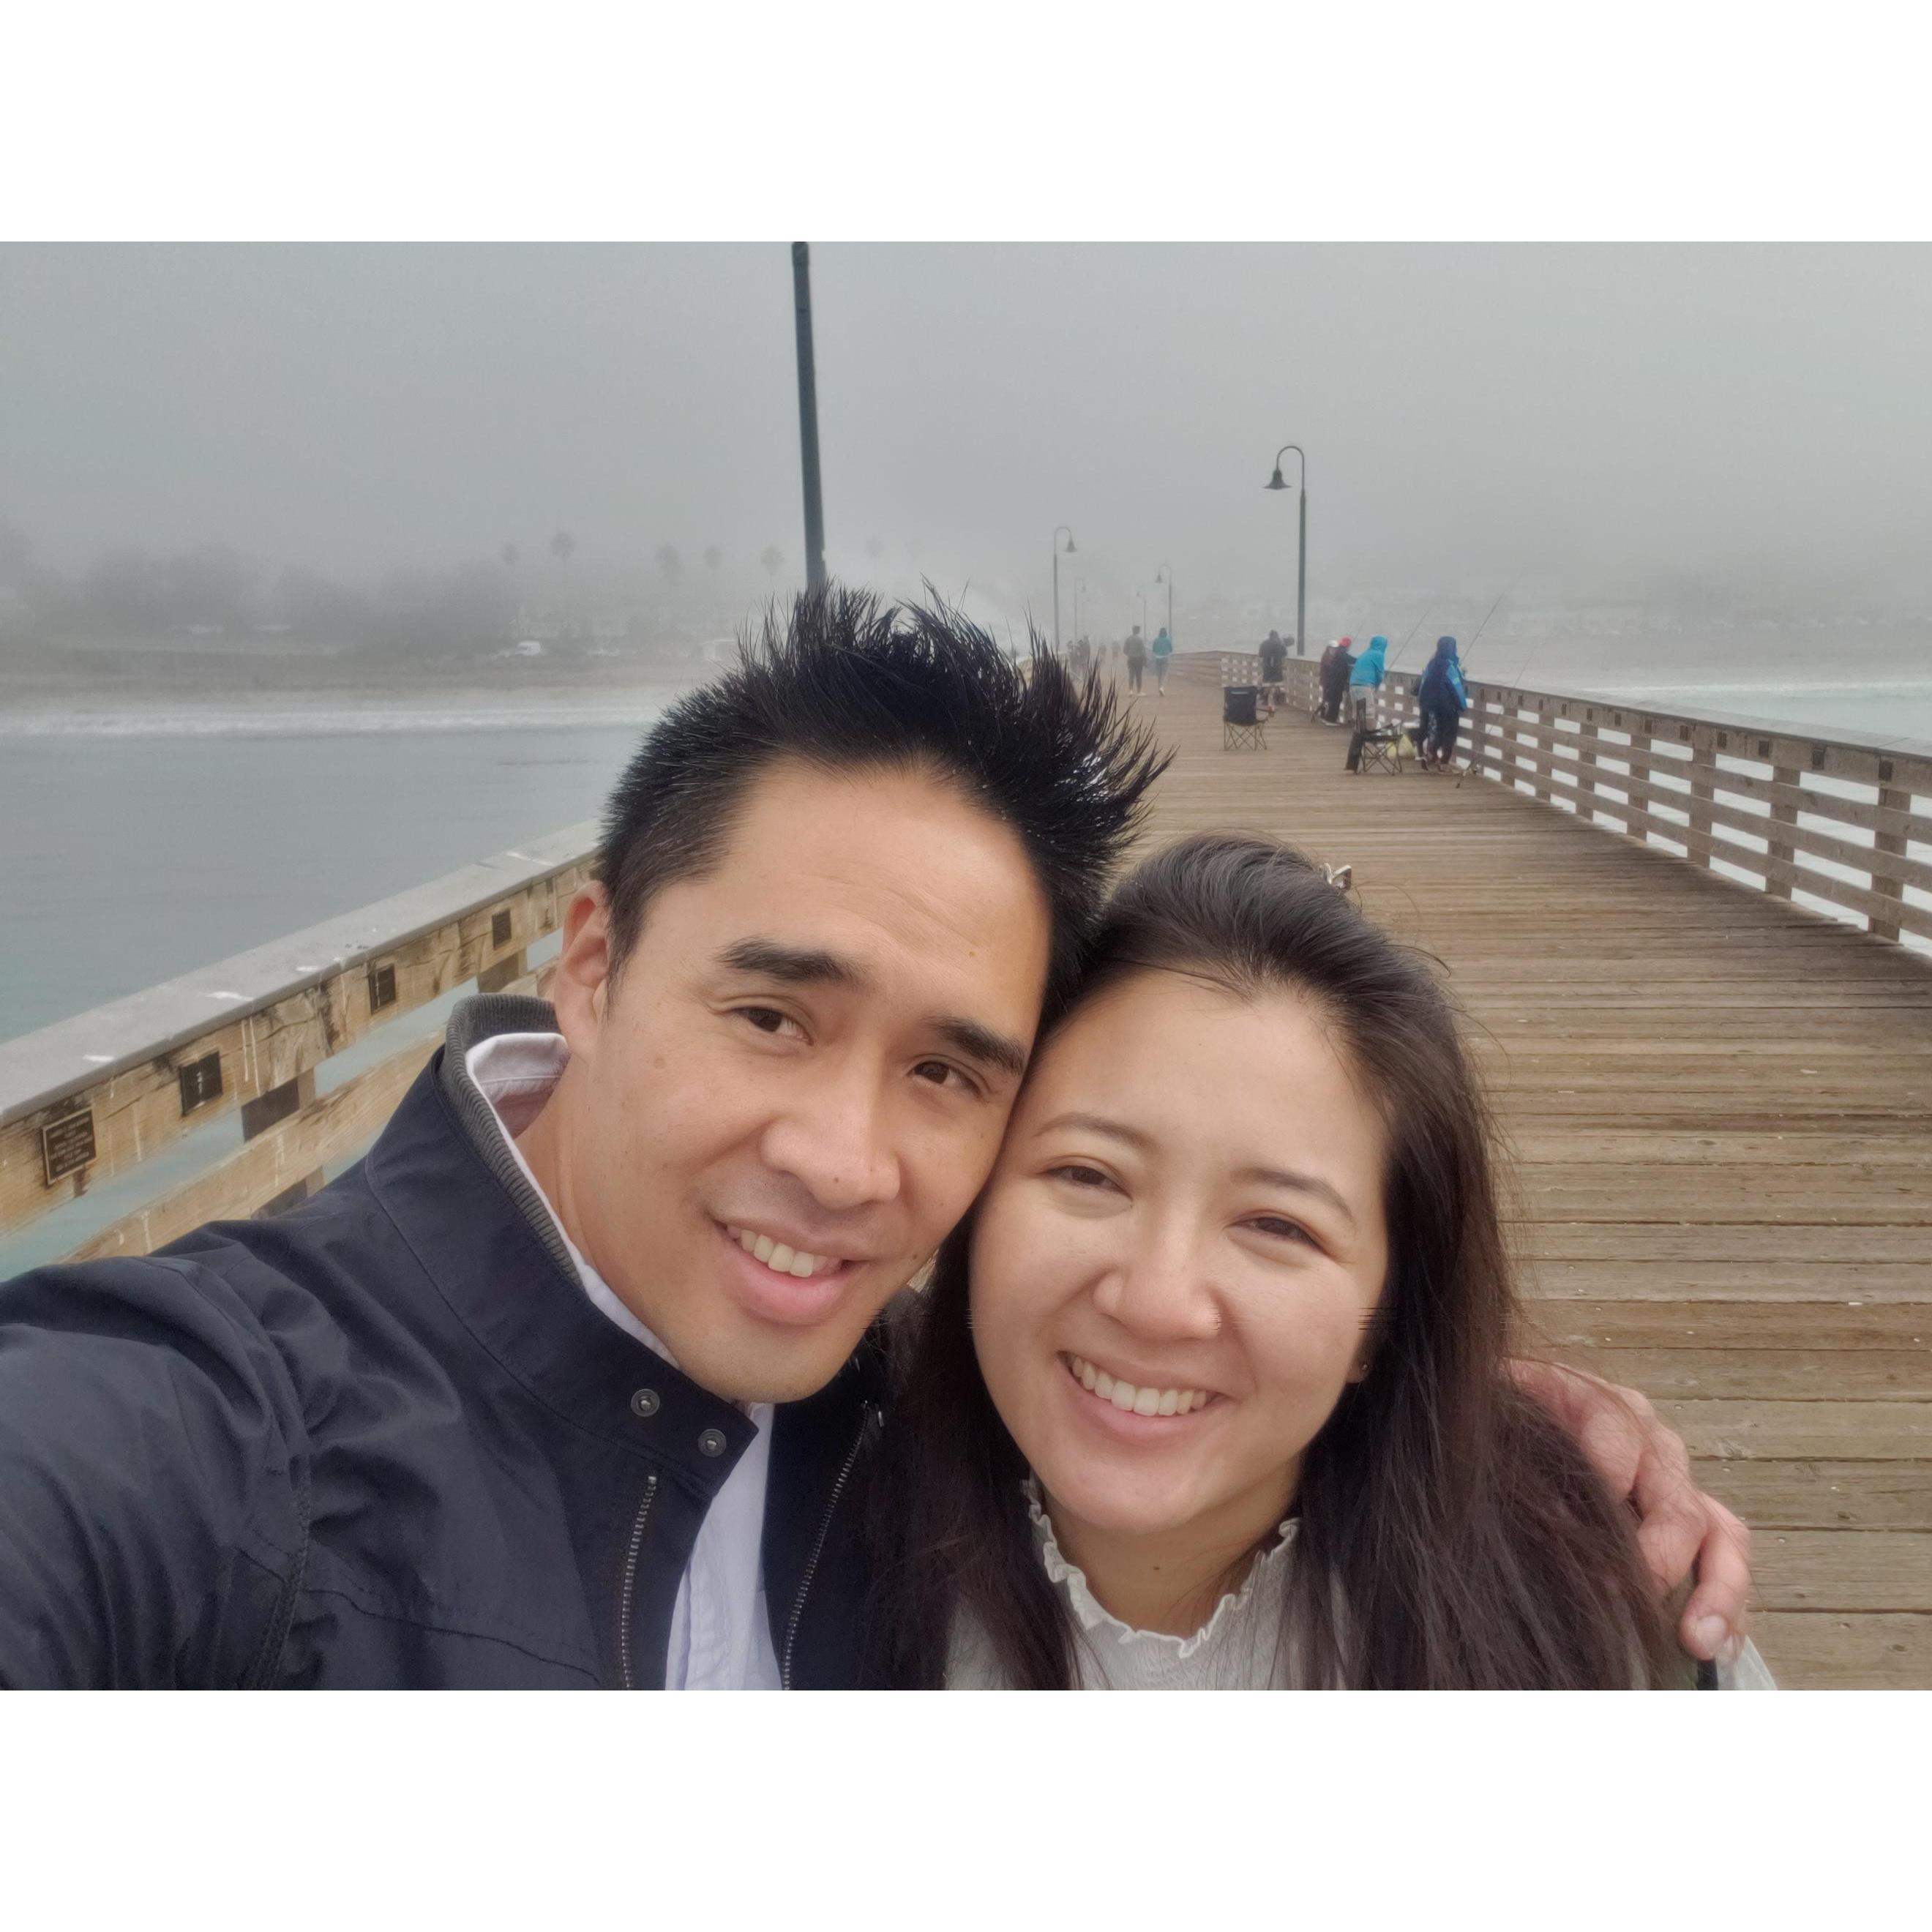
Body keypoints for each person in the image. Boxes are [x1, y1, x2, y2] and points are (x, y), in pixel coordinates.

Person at [0, 592, 1749, 1688]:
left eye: (949, 1073)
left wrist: (1455, 1400)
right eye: (771, 1017)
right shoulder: (220, 1432)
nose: (846, 1165)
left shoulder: (907, 1409)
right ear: (592, 964)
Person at [882, 835, 1767, 1690]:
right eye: (1089, 1175)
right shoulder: (805, 1511)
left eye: (1277, 1226)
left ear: (1385, 1316)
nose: (1156, 1301)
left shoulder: (1587, 1619)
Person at [1418, 634, 1469, 769]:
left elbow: (1423, 684)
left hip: (1431, 704)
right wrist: (1462, 706)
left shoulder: (1431, 664)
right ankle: (1444, 761)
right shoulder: (1450, 666)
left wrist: (1422, 702)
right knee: (1450, 732)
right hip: (1448, 705)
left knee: (1438, 730)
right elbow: (1456, 687)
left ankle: (1431, 754)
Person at [1348, 634, 1388, 725]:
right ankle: (1367, 735)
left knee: (1358, 712)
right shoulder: (1379, 655)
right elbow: (1380, 675)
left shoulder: (1366, 653)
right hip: (1365, 686)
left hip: (1353, 685)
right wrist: (1376, 687)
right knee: (1368, 713)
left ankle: (1358, 736)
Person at [1319, 635, 1356, 724]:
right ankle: (1330, 720)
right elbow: (1354, 660)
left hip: (1332, 680)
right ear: (1348, 646)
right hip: (1337, 681)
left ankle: (1325, 717)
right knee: (1335, 700)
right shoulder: (1343, 654)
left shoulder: (1337, 652)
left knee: (1330, 699)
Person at [1257, 629, 1288, 714]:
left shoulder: (1264, 643)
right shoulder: (1280, 644)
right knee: (1276, 685)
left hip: (1267, 669)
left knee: (1266, 684)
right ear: (1277, 636)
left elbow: (1260, 654)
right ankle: (1275, 701)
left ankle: (1267, 701)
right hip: (1277, 670)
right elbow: (1285, 654)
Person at [1123, 624, 1147, 696]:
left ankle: (1131, 690)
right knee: (1139, 675)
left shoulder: (1128, 639)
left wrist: (1129, 654)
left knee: (1131, 675)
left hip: (1131, 659)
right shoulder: (1140, 640)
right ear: (1138, 631)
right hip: (1139, 659)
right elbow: (1143, 651)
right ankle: (1139, 692)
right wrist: (1145, 660)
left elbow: (1124, 650)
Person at [1150, 626, 1174, 697]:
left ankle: (1159, 688)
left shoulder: (1156, 640)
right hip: (1165, 658)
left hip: (1157, 659)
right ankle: (1162, 687)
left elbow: (1153, 650)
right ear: (1166, 633)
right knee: (1164, 674)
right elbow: (1171, 650)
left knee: (1159, 674)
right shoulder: (1168, 640)